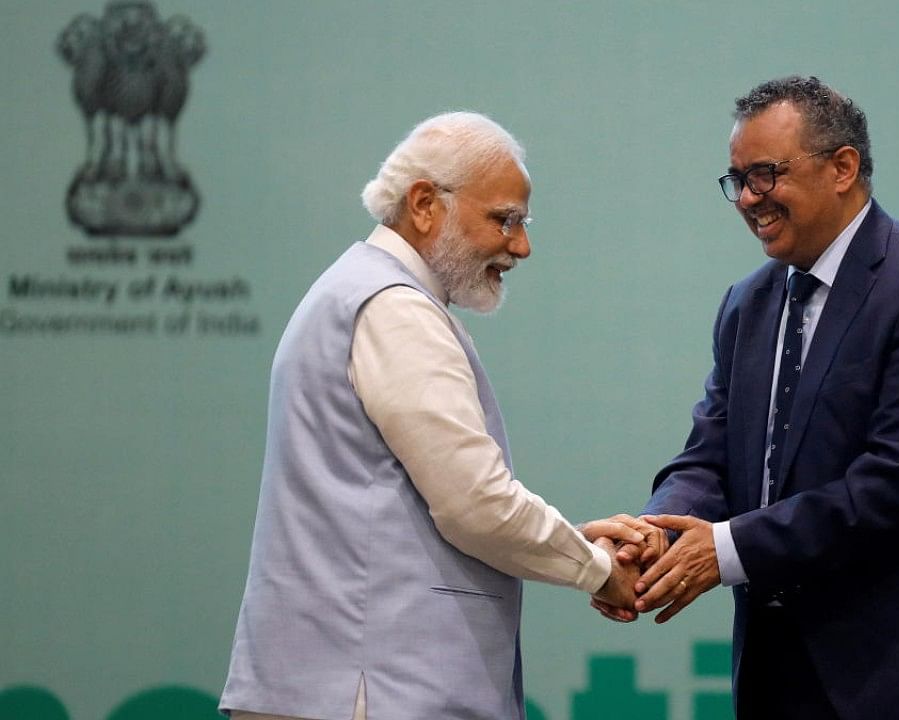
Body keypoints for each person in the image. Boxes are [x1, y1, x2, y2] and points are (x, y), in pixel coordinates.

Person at [600, 76, 899, 718]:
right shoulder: (749, 302)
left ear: (843, 167)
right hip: (775, 678)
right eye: (736, 179)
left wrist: (724, 550)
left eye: (765, 174)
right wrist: (650, 539)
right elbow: (710, 456)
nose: (747, 198)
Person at [219, 112, 651, 720]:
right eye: (505, 219)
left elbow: (407, 507)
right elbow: (475, 505)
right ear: (425, 204)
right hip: (373, 690)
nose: (521, 246)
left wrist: (574, 544)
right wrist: (598, 569)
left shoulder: (356, 291)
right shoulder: (396, 309)